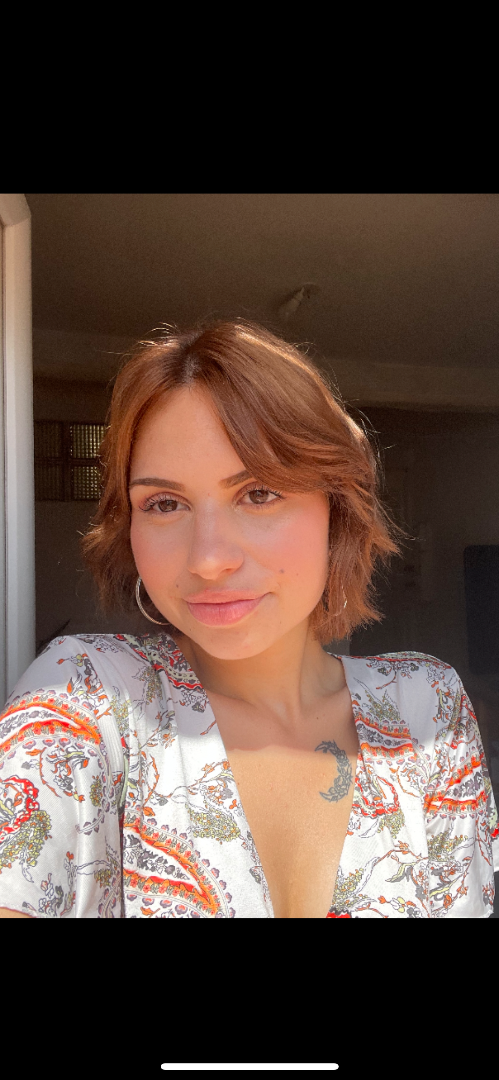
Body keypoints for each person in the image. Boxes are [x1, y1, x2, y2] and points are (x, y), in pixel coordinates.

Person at [0, 319, 498, 918]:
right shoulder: (84, 698)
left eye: (258, 493)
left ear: (337, 508)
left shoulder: (428, 711)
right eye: (165, 503)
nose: (208, 559)